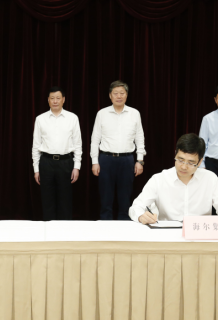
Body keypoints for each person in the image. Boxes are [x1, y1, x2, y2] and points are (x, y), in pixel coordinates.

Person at [130, 133, 218, 223]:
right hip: (167, 234)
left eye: (191, 163)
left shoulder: (210, 178)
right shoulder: (159, 179)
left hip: (200, 234)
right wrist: (141, 216)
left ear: (200, 162)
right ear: (175, 154)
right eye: (180, 160)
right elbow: (136, 207)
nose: (184, 167)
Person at [90, 80, 146, 220]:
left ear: (126, 95)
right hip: (106, 160)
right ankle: (105, 227)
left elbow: (140, 138)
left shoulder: (134, 113)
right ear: (110, 95)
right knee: (106, 198)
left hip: (127, 160)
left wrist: (140, 160)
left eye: (122, 93)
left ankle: (124, 227)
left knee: (125, 199)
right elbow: (95, 139)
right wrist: (94, 162)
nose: (119, 96)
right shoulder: (102, 113)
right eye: (115, 93)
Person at [32, 86, 82, 220]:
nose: (55, 101)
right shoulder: (40, 119)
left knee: (65, 201)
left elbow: (78, 144)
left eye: (58, 98)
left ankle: (64, 230)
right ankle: (48, 229)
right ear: (48, 100)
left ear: (63, 99)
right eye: (52, 98)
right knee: (47, 200)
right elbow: (36, 146)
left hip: (66, 162)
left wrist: (77, 167)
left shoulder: (72, 118)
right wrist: (36, 169)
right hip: (46, 162)